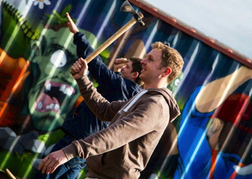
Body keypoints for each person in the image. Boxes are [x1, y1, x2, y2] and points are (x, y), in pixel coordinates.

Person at [38, 40, 184, 178]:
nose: (143, 62)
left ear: (165, 72)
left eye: (150, 59)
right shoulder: (143, 97)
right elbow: (105, 110)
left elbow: (118, 133)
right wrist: (83, 79)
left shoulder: (155, 105)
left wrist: (70, 151)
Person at [34, 13, 143, 179]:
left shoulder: (118, 84)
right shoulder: (134, 96)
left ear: (135, 74)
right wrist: (116, 71)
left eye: (127, 67)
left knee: (44, 174)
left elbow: (94, 62)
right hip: (86, 151)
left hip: (73, 143)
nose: (122, 69)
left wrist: (77, 34)